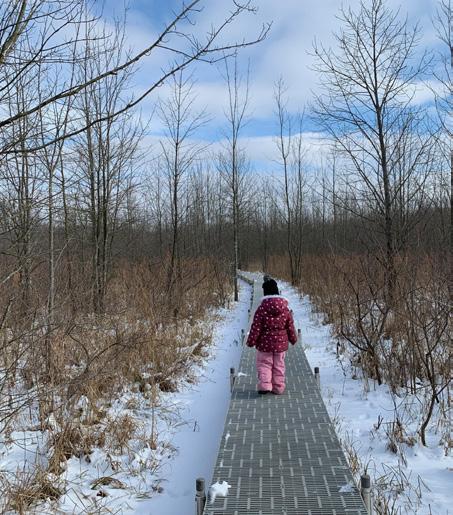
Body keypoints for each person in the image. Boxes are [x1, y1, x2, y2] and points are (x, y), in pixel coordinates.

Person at [246, 277, 297, 394]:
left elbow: (256, 327)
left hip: (264, 344)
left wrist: (251, 341)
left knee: (264, 364)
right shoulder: (285, 309)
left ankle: (265, 386)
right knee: (279, 365)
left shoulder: (261, 309)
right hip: (280, 345)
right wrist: (293, 339)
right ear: (277, 291)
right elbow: (290, 326)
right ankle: (278, 387)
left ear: (265, 293)